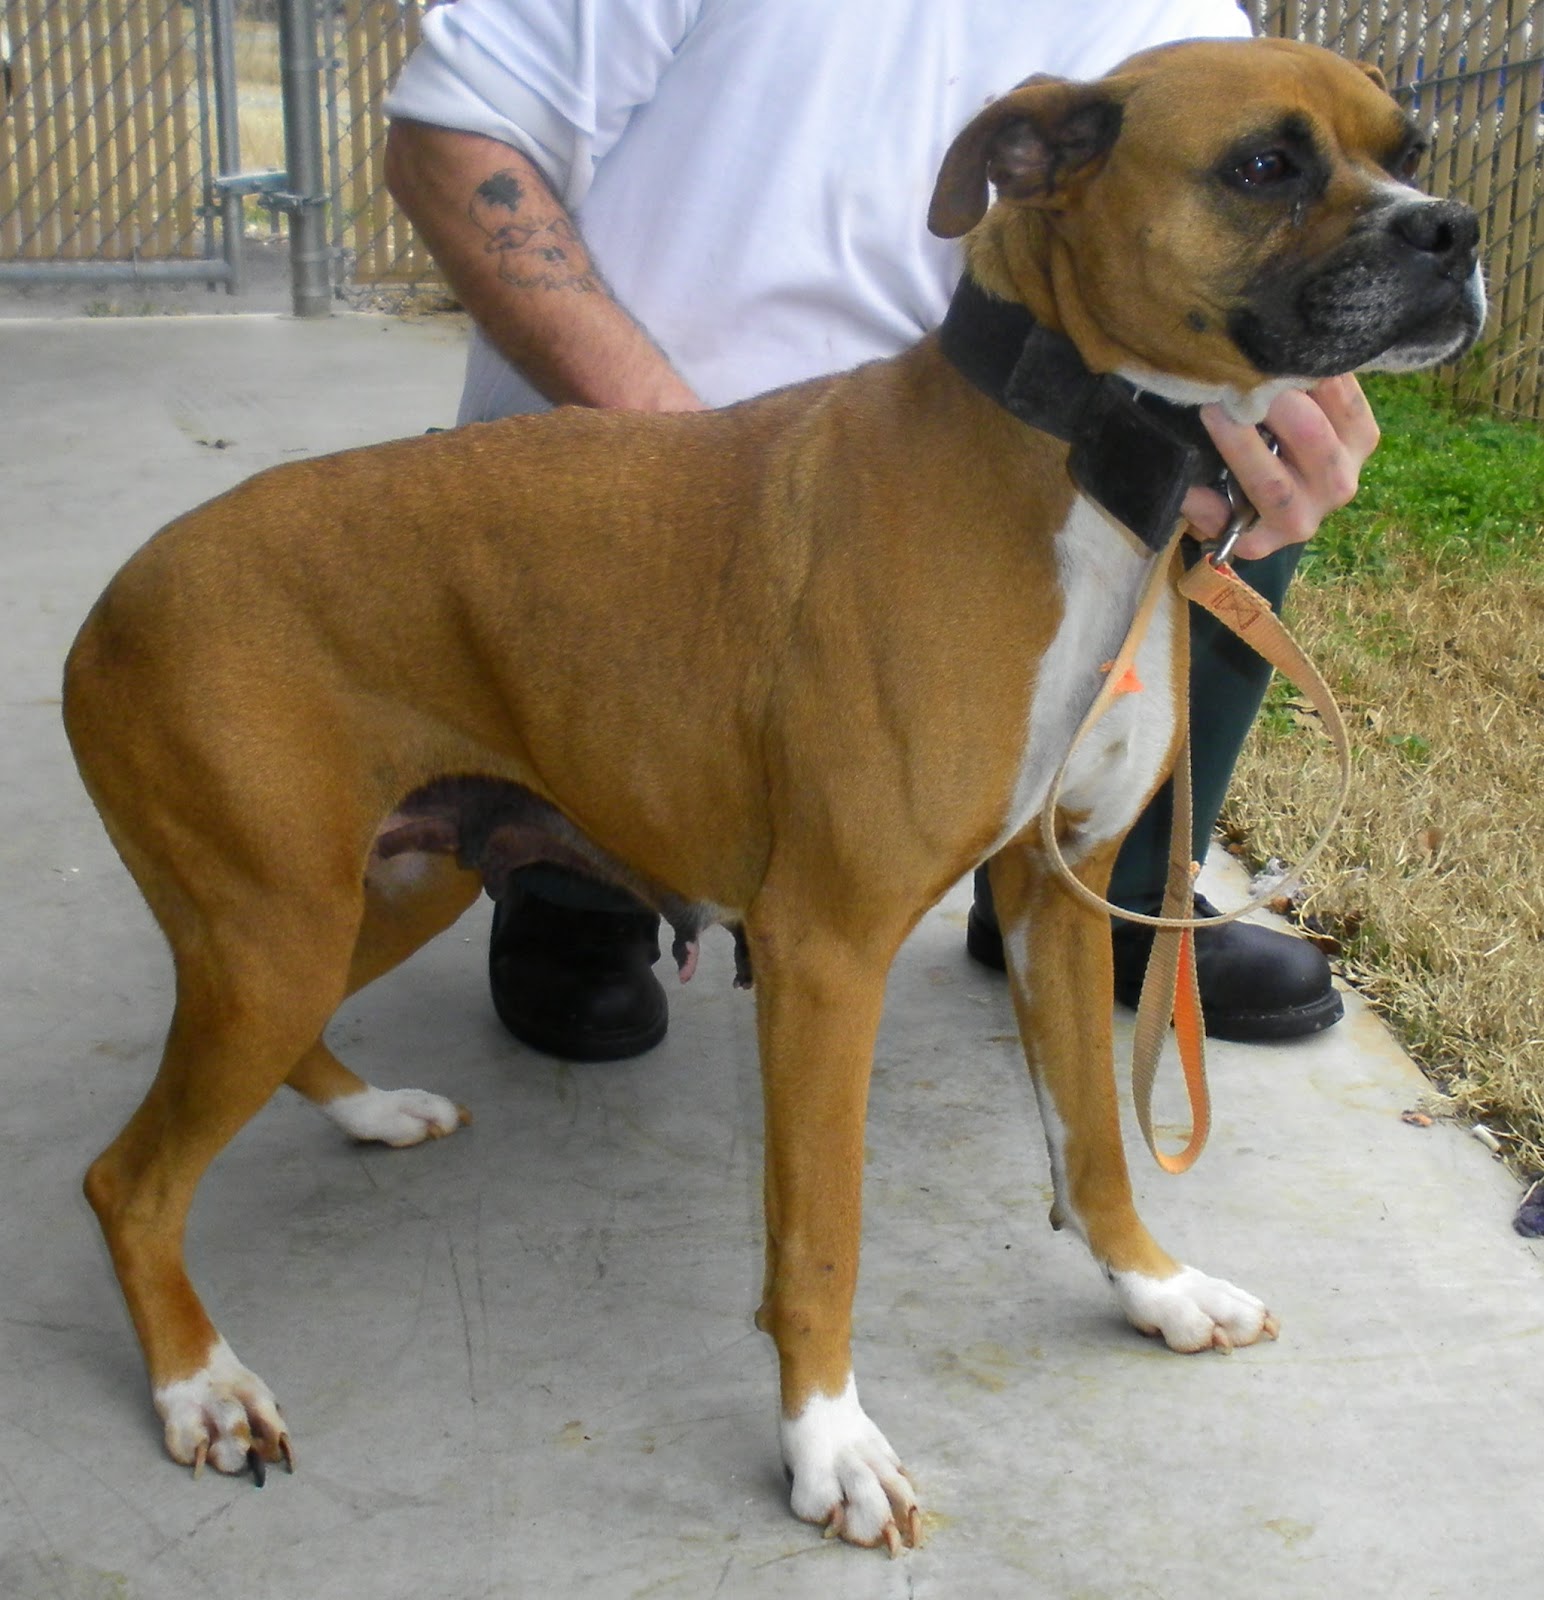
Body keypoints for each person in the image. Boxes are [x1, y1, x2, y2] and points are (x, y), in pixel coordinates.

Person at [383, 0, 1378, 1062]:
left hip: (957, 477)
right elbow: (450, 140)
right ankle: (578, 870)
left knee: (1238, 475)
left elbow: (1221, 252)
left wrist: (1289, 409)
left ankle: (1098, 874)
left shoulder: (1177, 28)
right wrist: (697, 478)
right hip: (633, 463)